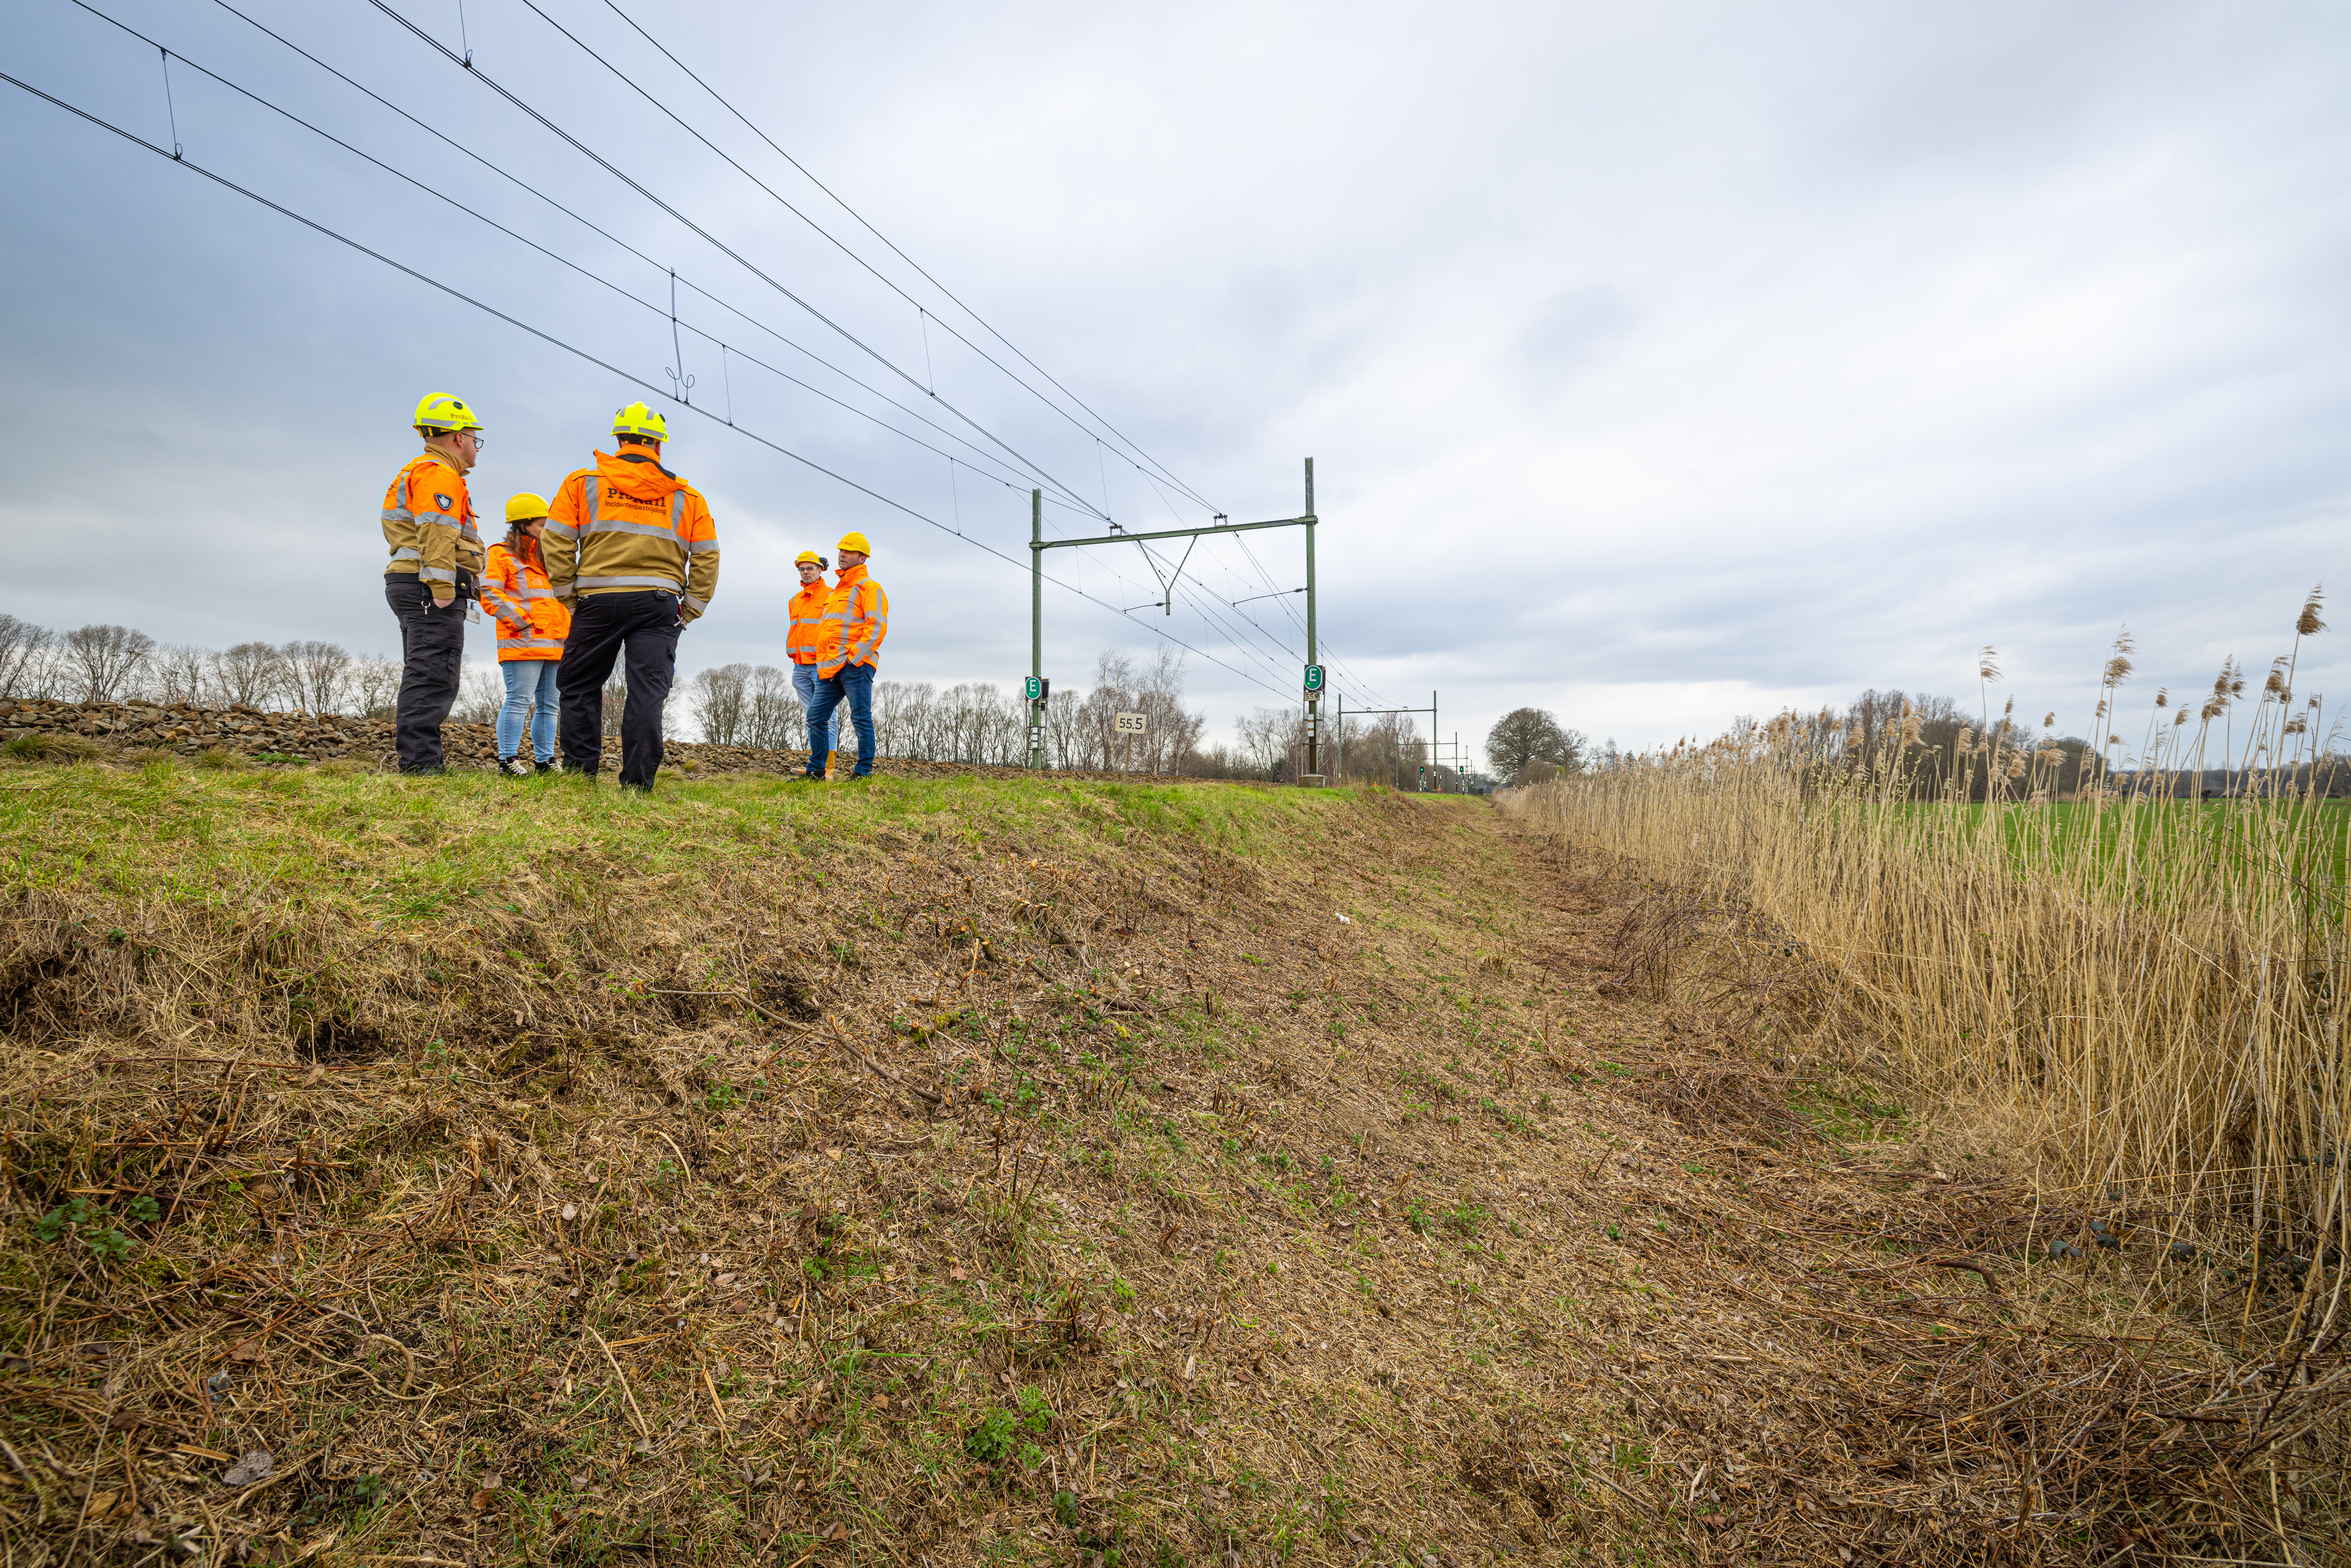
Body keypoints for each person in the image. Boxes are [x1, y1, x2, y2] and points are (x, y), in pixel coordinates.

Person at [542, 402, 720, 790]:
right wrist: (691, 609)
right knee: (646, 694)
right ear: (658, 445)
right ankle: (637, 785)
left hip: (596, 601)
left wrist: (568, 594)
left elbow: (554, 540)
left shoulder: (582, 483)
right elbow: (707, 556)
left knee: (579, 686)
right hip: (659, 605)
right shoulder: (686, 497)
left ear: (619, 440)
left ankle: (579, 776)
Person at [379, 394, 487, 774]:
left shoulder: (421, 470)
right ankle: (421, 766)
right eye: (476, 438)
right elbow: (437, 534)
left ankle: (421, 761)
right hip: (429, 588)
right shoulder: (440, 474)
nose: (477, 447)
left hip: (412, 582)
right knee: (433, 673)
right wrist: (442, 591)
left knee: (426, 669)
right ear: (458, 437)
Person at [479, 493, 570, 776]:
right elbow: (488, 592)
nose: (548, 531)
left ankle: (545, 761)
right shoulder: (499, 554)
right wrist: (522, 623)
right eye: (543, 525)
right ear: (523, 525)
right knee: (519, 700)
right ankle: (508, 761)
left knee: (550, 706)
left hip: (556, 644)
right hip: (523, 642)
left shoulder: (551, 560)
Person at [805, 532, 888, 780]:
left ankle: (863, 773)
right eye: (841, 551)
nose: (842, 555)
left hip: (855, 666)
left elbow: (877, 627)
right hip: (831, 667)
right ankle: (817, 771)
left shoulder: (869, 588)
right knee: (815, 717)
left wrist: (854, 658)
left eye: (849, 552)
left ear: (862, 558)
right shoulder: (836, 592)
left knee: (861, 718)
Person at [785, 550, 840, 766]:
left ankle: (828, 768)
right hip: (800, 667)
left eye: (810, 568)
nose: (805, 572)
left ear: (820, 570)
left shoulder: (831, 595)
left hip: (822, 665)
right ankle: (816, 764)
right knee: (812, 718)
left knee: (827, 717)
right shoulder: (795, 600)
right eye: (802, 569)